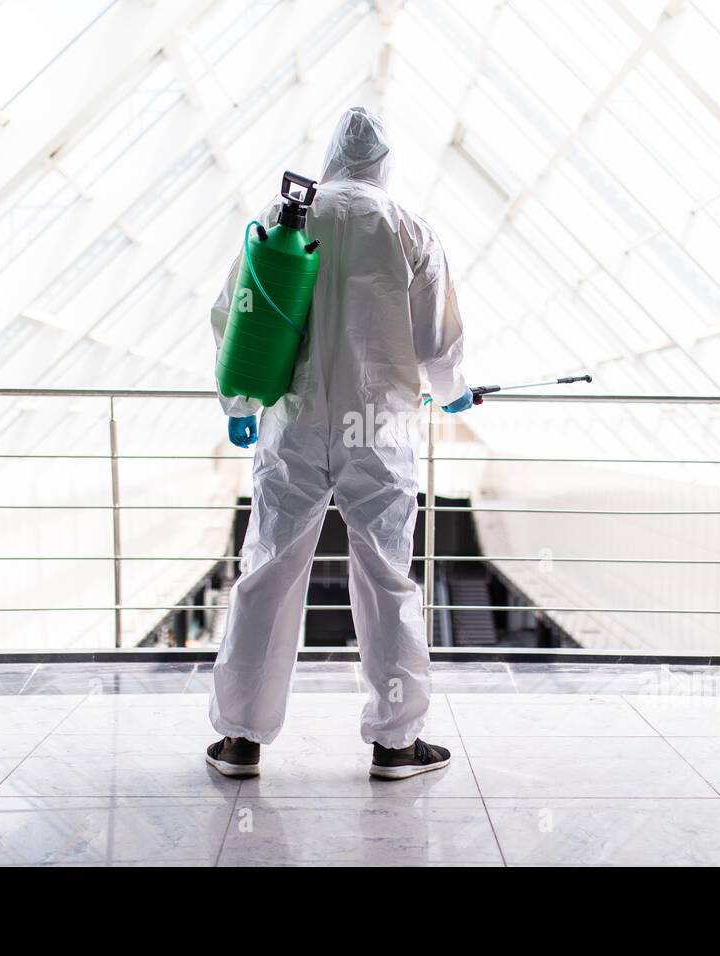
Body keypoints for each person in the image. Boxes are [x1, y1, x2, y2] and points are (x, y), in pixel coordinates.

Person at [205, 107, 472, 781]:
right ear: (385, 163)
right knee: (386, 579)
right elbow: (436, 343)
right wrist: (455, 388)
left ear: (329, 156)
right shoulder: (409, 228)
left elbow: (235, 311)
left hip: (293, 426)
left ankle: (241, 740)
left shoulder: (285, 217)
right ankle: (396, 742)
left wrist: (239, 404)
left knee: (268, 574)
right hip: (379, 432)